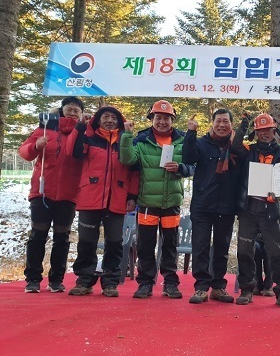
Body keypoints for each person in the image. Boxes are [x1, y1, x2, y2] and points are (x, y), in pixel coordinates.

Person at [120, 100, 193, 299]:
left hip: (172, 203)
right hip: (147, 203)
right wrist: (126, 135)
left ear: (172, 120)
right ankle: (145, 283)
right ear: (152, 118)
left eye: (166, 118)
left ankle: (170, 283)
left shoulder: (183, 140)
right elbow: (127, 160)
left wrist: (181, 168)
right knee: (145, 245)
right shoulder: (140, 140)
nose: (162, 122)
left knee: (170, 245)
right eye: (158, 117)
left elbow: (193, 165)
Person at [67, 105, 138, 297]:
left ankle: (110, 282)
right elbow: (72, 151)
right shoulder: (89, 138)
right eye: (105, 117)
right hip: (90, 198)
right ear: (98, 120)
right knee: (86, 242)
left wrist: (132, 196)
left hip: (117, 198)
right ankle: (84, 280)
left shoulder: (126, 140)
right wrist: (81, 127)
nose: (110, 121)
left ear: (120, 121)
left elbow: (134, 171)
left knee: (115, 242)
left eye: (114, 118)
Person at [19, 96, 85, 293]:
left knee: (62, 237)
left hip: (68, 194)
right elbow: (24, 152)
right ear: (61, 110)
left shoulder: (82, 132)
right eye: (69, 109)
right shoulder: (44, 129)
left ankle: (56, 279)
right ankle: (32, 279)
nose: (72, 113)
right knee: (38, 235)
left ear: (81, 114)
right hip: (42, 192)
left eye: (76, 110)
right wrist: (35, 145)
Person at [232, 112, 280, 309]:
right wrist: (244, 124)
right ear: (255, 133)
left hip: (270, 209)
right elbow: (234, 146)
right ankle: (247, 289)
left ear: (274, 131)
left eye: (267, 130)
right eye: (260, 131)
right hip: (248, 208)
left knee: (276, 252)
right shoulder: (248, 151)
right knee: (244, 250)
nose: (264, 134)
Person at [182, 109, 242, 304]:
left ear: (231, 125)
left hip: (227, 206)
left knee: (221, 248)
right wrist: (190, 133)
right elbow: (188, 158)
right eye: (219, 121)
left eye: (226, 121)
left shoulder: (238, 147)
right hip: (202, 205)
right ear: (212, 123)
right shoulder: (201, 143)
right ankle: (201, 287)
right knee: (200, 247)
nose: (222, 125)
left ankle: (218, 286)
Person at [253, 200, 280, 297]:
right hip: (258, 239)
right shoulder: (255, 207)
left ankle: (268, 285)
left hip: (274, 240)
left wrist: (275, 234)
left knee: (270, 249)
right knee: (253, 248)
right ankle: (257, 283)